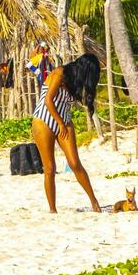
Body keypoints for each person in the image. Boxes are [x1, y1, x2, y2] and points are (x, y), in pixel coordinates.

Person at [30, 53, 102, 213]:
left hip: (64, 120)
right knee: (49, 168)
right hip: (44, 120)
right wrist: (60, 123)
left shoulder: (75, 82)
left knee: (75, 163)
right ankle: (52, 209)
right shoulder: (59, 73)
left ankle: (94, 202)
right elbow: (48, 100)